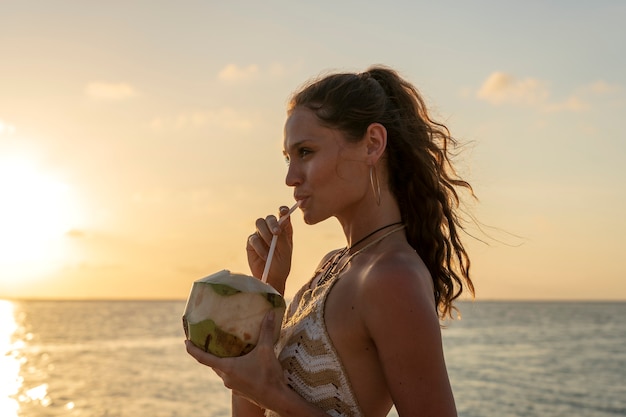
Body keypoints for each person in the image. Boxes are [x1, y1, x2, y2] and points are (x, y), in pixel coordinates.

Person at [186, 65, 475, 417]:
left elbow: (272, 395)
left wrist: (273, 393)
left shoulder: (391, 278)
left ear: (372, 144)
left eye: (305, 152)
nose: (291, 177)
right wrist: (268, 290)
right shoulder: (332, 265)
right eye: (288, 158)